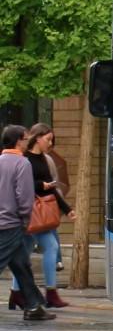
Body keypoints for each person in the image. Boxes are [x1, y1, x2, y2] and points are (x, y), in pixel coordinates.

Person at [0, 124, 55, 321]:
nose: (27, 142)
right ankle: (33, 305)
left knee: (21, 264)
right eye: (25, 139)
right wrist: (25, 218)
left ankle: (33, 305)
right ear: (18, 141)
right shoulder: (22, 163)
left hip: (3, 220)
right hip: (12, 222)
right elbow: (24, 196)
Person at [18, 124, 73, 308]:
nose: (50, 143)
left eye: (52, 140)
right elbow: (22, 185)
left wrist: (67, 209)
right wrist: (41, 185)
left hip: (41, 213)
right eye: (48, 139)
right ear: (37, 138)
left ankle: (43, 292)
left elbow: (53, 188)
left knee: (39, 249)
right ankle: (36, 293)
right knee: (29, 252)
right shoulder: (24, 159)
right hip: (29, 212)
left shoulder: (44, 159)